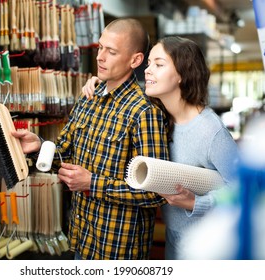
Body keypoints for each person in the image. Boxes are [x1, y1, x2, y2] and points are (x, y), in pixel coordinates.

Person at [12, 18, 169, 260]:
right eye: (100, 47)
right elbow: (65, 153)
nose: (100, 57)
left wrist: (91, 183)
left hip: (117, 249)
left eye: (112, 51)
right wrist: (39, 146)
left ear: (135, 60)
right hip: (82, 239)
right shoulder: (88, 99)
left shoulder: (144, 113)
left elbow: (156, 192)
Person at [82, 36, 239, 260]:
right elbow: (126, 97)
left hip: (208, 244)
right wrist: (103, 83)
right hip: (175, 237)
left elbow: (246, 188)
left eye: (159, 64)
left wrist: (196, 202)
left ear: (182, 75)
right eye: (148, 64)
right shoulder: (162, 117)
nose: (147, 70)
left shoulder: (210, 131)